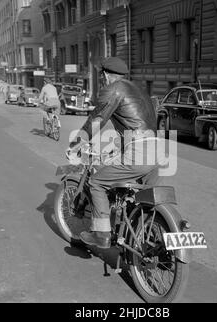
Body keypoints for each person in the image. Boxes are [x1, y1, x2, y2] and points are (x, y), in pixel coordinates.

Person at [67, 57, 159, 249]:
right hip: (156, 151)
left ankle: (102, 235)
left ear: (106, 75)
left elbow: (97, 119)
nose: (102, 79)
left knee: (96, 182)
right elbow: (135, 122)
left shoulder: (113, 89)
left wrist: (77, 142)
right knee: (144, 200)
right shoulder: (138, 89)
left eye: (102, 76)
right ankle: (142, 235)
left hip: (138, 151)